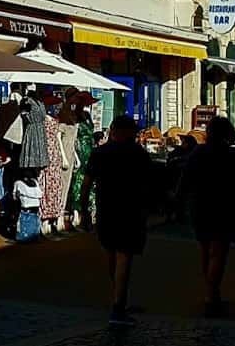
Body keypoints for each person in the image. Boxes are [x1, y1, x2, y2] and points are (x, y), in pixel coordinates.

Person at [79, 115, 153, 328]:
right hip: (131, 211)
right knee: (124, 258)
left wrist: (84, 211)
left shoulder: (100, 153)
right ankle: (118, 305)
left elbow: (86, 183)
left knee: (111, 254)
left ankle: (118, 297)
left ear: (113, 131)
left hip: (106, 210)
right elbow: (149, 185)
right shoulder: (139, 154)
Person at [181, 116, 235, 316]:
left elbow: (185, 178)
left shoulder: (198, 153)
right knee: (219, 251)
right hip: (225, 206)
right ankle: (212, 292)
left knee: (205, 249)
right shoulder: (234, 156)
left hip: (200, 205)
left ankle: (210, 290)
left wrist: (179, 199)